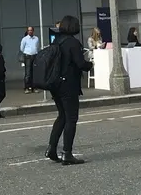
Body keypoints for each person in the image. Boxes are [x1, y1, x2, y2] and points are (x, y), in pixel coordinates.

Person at [45, 15, 93, 165]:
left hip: (56, 84)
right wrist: (90, 64)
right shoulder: (73, 42)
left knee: (62, 116)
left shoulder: (57, 40)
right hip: (69, 85)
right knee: (71, 118)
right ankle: (67, 152)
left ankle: (52, 148)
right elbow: (80, 63)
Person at [19, 27, 40, 93]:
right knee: (28, 73)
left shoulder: (36, 38)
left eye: (31, 30)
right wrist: (27, 52)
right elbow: (21, 48)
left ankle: (34, 87)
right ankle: (27, 87)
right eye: (29, 30)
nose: (30, 31)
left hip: (35, 55)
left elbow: (37, 46)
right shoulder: (24, 39)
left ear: (33, 31)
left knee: (34, 72)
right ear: (27, 31)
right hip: (28, 56)